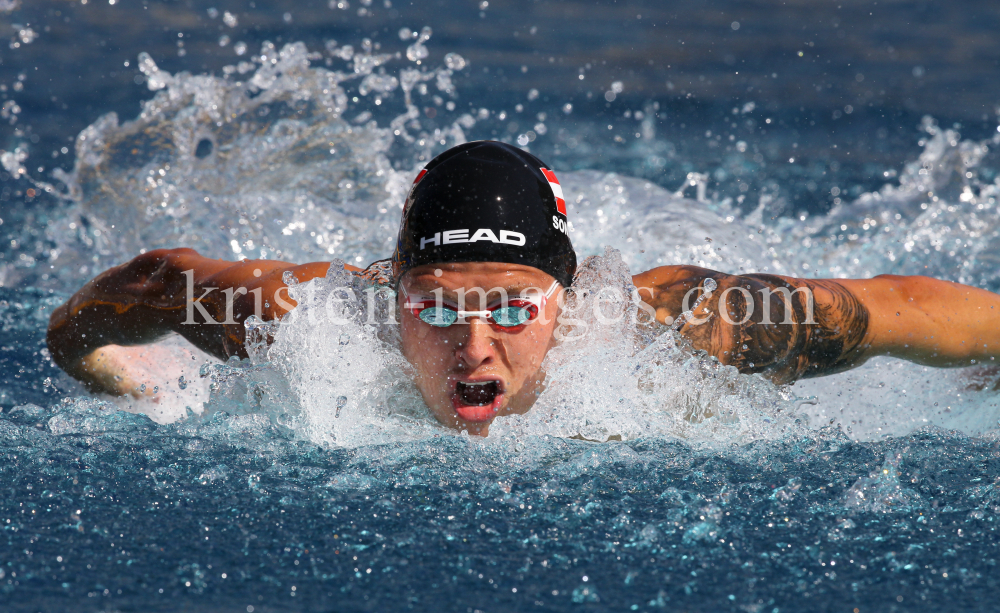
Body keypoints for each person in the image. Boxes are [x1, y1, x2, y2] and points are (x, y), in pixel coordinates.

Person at [46, 141, 1000, 435]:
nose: (473, 346)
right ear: (393, 289)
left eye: (512, 306)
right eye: (436, 305)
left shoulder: (682, 331)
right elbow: (151, 283)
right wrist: (109, 367)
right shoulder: (308, 321)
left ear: (565, 299)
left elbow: (897, 306)